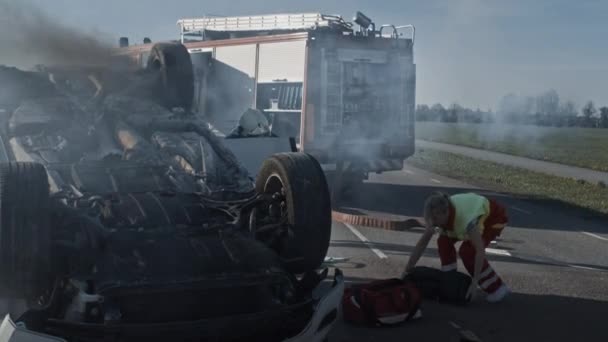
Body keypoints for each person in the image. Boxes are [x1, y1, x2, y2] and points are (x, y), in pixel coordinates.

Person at [403, 192, 510, 303]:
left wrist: (474, 284)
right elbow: (421, 245)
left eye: (435, 218)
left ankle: (497, 288)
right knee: (443, 242)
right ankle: (450, 279)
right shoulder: (441, 216)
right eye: (430, 218)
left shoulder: (466, 221)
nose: (433, 222)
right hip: (463, 218)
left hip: (493, 217)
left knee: (467, 252)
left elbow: (479, 250)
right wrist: (406, 271)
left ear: (445, 213)